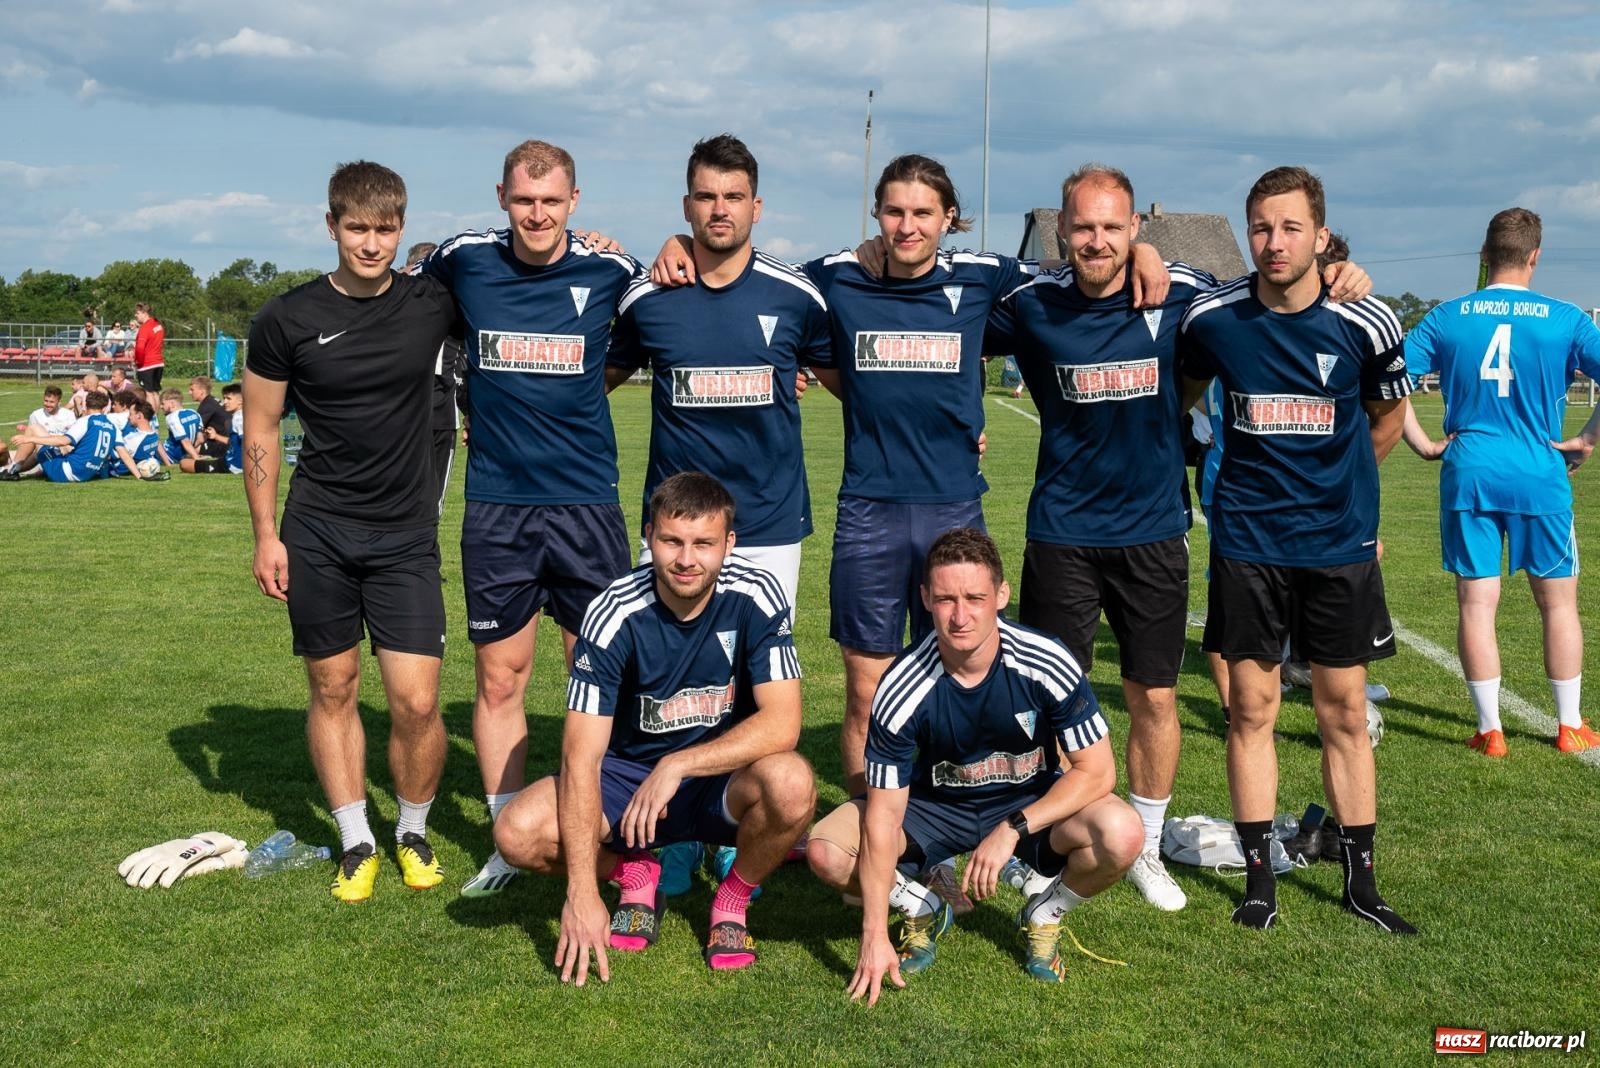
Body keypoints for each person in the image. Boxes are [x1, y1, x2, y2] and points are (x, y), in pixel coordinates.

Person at [986, 165, 1374, 912]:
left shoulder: (1186, 292)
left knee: (1155, 697)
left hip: (1156, 531)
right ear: (1061, 230)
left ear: (1137, 230)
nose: (1097, 240)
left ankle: (1148, 844)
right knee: (1049, 703)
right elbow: (940, 309)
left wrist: (1341, 273)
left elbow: (1273, 294)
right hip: (1062, 532)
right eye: (1083, 226)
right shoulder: (1030, 303)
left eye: (1113, 227)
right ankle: (1046, 846)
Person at [1179, 166, 1414, 934]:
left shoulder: (1368, 321)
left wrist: (1342, 495)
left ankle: (1362, 884)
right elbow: (1178, 398)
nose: (1273, 243)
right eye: (1260, 227)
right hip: (1248, 545)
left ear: (1320, 235)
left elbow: (1385, 417)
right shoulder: (1213, 319)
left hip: (1336, 548)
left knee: (1343, 711)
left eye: (1289, 228)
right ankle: (1259, 884)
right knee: (1251, 708)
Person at [414, 140, 645, 898]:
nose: (537, 213)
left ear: (575, 202)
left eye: (551, 201)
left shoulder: (612, 269)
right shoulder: (465, 258)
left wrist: (668, 245)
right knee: (499, 676)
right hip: (498, 510)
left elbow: (671, 310)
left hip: (587, 507)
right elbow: (396, 290)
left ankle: (627, 830)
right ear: (502, 198)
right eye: (523, 200)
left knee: (605, 672)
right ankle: (509, 833)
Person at [493, 472, 813, 983]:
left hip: (719, 781)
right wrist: (582, 890)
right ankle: (635, 871)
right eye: (671, 541)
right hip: (627, 782)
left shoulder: (757, 593)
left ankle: (732, 897)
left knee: (792, 782)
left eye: (703, 543)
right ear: (649, 537)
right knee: (517, 833)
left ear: (728, 545)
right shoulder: (612, 612)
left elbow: (783, 723)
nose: (687, 559)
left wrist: (680, 763)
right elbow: (581, 757)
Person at [242, 159, 457, 903]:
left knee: (418, 702)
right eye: (358, 228)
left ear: (402, 228)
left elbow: (514, 264)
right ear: (331, 226)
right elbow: (262, 428)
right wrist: (267, 534)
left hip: (404, 535)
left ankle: (414, 828)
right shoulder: (286, 318)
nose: (372, 243)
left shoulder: (433, 302)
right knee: (333, 685)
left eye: (386, 229)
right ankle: (357, 836)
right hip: (318, 531)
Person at [807, 528, 1140, 994]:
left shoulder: (1047, 661)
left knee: (1122, 833)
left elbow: (1099, 771)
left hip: (1029, 800)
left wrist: (1013, 828)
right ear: (924, 598)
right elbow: (882, 816)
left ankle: (1045, 913)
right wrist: (873, 934)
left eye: (974, 597)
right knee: (827, 849)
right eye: (945, 599)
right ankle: (920, 905)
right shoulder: (901, 686)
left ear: (1001, 595)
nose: (960, 616)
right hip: (935, 809)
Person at [1401, 207, 1600, 756]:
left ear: (1484, 255)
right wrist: (1586, 438)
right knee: (1558, 604)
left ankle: (1491, 730)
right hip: (1540, 472)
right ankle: (1569, 726)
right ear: (1535, 256)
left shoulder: (1447, 316)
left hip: (1470, 471)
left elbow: (1389, 378)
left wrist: (1418, 440)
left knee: (1476, 604)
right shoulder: (1566, 318)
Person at [402, 240, 465, 516]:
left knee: (432, 504)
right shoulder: (396, 303)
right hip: (404, 415)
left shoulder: (458, 306)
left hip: (441, 415)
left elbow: (467, 363)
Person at [1, 390, 116, 482]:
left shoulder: (82, 420)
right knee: (38, 451)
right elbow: (117, 451)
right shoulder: (111, 425)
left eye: (51, 402)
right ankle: (12, 470)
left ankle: (11, 470)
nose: (48, 404)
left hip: (65, 469)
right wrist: (104, 475)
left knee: (34, 429)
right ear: (105, 407)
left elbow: (64, 441)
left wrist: (28, 438)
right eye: (46, 401)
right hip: (83, 472)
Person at [101, 399, 165, 480]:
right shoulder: (154, 435)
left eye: (131, 414)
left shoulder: (136, 439)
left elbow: (118, 454)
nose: (128, 417)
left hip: (117, 469)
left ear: (139, 416)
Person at [191, 383, 243, 474]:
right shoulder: (239, 416)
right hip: (229, 459)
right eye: (224, 398)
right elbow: (235, 442)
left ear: (241, 401)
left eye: (229, 399)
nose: (225, 402)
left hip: (232, 466)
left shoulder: (239, 419)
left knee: (184, 464)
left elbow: (247, 443)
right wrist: (215, 436)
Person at [157, 389, 204, 467]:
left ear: (172, 403)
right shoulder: (194, 412)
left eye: (163, 404)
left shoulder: (172, 418)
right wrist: (188, 453)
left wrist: (196, 459)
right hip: (183, 455)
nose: (161, 407)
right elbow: (200, 439)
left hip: (169, 454)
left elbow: (185, 442)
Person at [132, 303, 165, 396]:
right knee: (155, 391)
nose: (135, 315)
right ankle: (155, 411)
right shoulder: (158, 325)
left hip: (147, 364)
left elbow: (140, 348)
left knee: (148, 393)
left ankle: (150, 411)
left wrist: (138, 362)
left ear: (144, 313)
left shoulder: (145, 328)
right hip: (158, 362)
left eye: (137, 313)